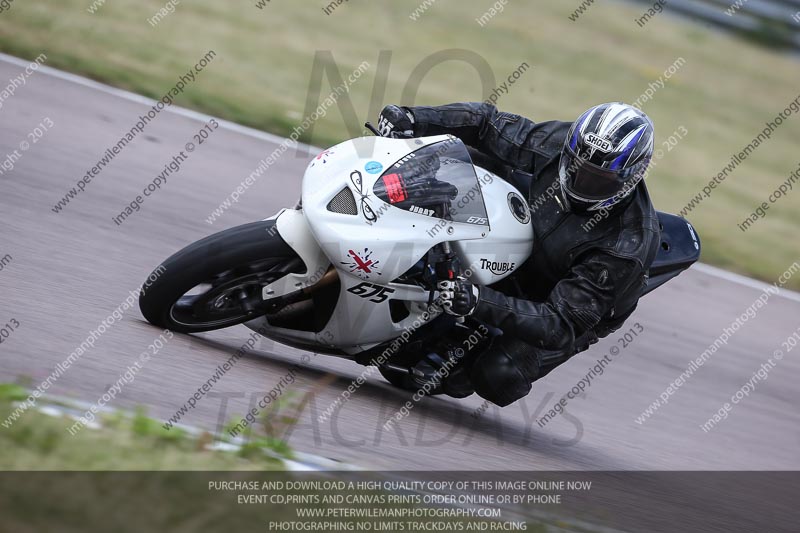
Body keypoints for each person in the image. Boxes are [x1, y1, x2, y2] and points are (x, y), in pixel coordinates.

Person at [377, 102, 661, 406]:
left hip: (563, 303)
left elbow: (558, 324)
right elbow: (487, 124)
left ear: (630, 178)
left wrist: (476, 300)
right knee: (470, 161)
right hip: (530, 238)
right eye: (577, 167)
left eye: (598, 179)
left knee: (498, 374)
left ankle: (461, 372)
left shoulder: (626, 245)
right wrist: (414, 118)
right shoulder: (558, 143)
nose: (582, 182)